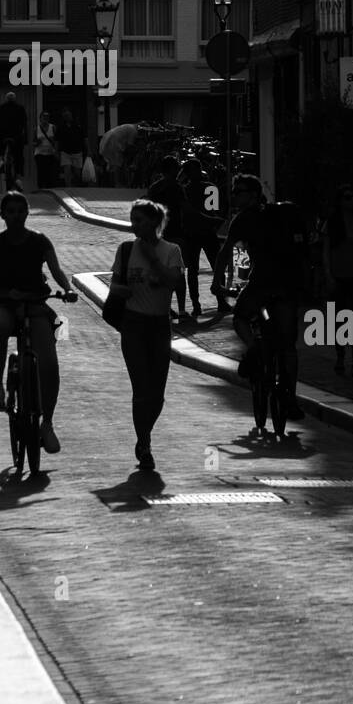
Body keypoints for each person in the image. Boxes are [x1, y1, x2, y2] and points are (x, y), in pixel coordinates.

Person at [0, 191, 76, 454]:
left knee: (50, 365)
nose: (16, 216)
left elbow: (56, 271)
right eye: (11, 211)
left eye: (21, 211)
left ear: (27, 213)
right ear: (3, 215)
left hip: (35, 304)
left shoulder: (40, 241)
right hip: (4, 303)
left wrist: (67, 289)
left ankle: (48, 424)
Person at [210, 175, 306, 420]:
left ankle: (253, 350)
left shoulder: (244, 218)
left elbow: (225, 252)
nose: (233, 196)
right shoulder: (283, 214)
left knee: (241, 319)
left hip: (261, 284)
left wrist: (217, 282)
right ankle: (291, 399)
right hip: (287, 285)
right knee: (287, 346)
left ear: (252, 194)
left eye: (238, 191)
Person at [107, 199, 185, 472]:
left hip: (160, 326)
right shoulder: (126, 249)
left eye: (139, 220)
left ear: (154, 222)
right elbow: (114, 285)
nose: (134, 225)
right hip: (133, 325)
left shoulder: (171, 251)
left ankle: (145, 430)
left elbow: (175, 281)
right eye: (132, 220)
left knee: (158, 394)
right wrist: (122, 290)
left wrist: (153, 261)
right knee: (141, 390)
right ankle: (144, 441)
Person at [320, 185, 353, 377]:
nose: (351, 201)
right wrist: (328, 274)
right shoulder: (332, 223)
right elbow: (326, 250)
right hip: (339, 275)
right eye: (347, 198)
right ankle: (341, 355)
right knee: (340, 319)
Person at [177, 157, 225, 318]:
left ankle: (197, 305)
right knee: (215, 267)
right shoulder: (210, 188)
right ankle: (220, 300)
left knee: (193, 271)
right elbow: (215, 212)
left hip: (192, 234)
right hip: (207, 233)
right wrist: (213, 224)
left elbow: (186, 214)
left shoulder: (184, 190)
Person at [147, 156, 187, 317]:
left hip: (159, 234)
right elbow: (185, 208)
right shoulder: (177, 187)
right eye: (176, 168)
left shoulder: (154, 188)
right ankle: (182, 308)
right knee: (179, 273)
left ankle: (164, 305)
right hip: (176, 232)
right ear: (172, 170)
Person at [0, 93, 28, 183]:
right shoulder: (20, 108)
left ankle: (1, 161)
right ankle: (18, 171)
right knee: (19, 156)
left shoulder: (1, 108)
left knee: (1, 151)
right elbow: (24, 124)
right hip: (16, 136)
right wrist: (25, 139)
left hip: (3, 135)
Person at [98, 123, 139, 187]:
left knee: (111, 163)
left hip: (107, 139)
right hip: (114, 143)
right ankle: (117, 183)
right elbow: (130, 144)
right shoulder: (134, 131)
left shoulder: (129, 126)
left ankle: (110, 183)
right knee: (116, 164)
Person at [56, 108, 88, 188]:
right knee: (67, 170)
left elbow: (85, 138)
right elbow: (57, 140)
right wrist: (56, 151)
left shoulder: (78, 126)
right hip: (65, 151)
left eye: (68, 115)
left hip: (77, 151)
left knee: (77, 172)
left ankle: (77, 186)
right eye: (65, 116)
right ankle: (68, 187)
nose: (67, 117)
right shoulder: (61, 126)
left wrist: (88, 149)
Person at [33, 111, 58, 189]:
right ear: (40, 119)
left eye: (47, 117)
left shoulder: (52, 127)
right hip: (39, 153)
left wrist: (56, 149)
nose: (45, 119)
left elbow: (57, 141)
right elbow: (33, 142)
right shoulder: (36, 129)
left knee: (50, 172)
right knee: (41, 171)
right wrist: (37, 142)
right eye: (43, 117)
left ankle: (49, 188)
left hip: (50, 153)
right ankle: (40, 188)